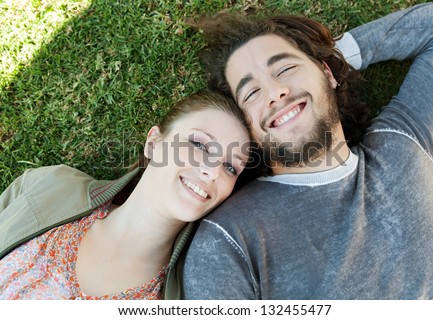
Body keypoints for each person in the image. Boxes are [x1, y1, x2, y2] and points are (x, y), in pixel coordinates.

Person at [182, 3, 433, 299]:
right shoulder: (229, 239)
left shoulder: (405, 141)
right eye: (251, 93)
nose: (274, 92)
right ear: (245, 127)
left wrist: (337, 57)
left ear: (326, 73)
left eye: (285, 68)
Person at [0, 92, 251, 299]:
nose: (213, 171)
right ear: (153, 142)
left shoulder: (187, 296)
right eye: (199, 145)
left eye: (231, 167)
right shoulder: (46, 185)